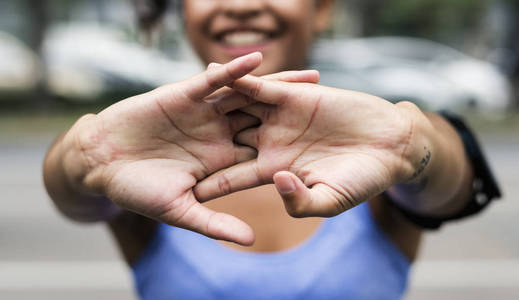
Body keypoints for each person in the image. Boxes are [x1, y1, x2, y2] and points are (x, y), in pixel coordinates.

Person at [43, 0, 500, 299]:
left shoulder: (365, 145)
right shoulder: (148, 153)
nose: (241, 5)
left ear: (321, 9)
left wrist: (408, 145)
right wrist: (88, 155)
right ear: (182, 10)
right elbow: (77, 201)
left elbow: (450, 188)